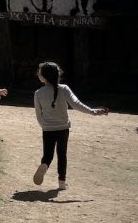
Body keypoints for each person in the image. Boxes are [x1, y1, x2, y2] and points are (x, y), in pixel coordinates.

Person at [33, 61, 108, 190]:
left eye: (39, 72)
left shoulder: (38, 93)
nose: (38, 74)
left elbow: (38, 115)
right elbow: (76, 104)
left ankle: (44, 164)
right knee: (62, 154)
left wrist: (43, 125)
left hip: (48, 129)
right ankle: (62, 182)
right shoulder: (64, 89)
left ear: (44, 76)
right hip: (63, 128)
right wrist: (92, 111)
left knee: (48, 154)